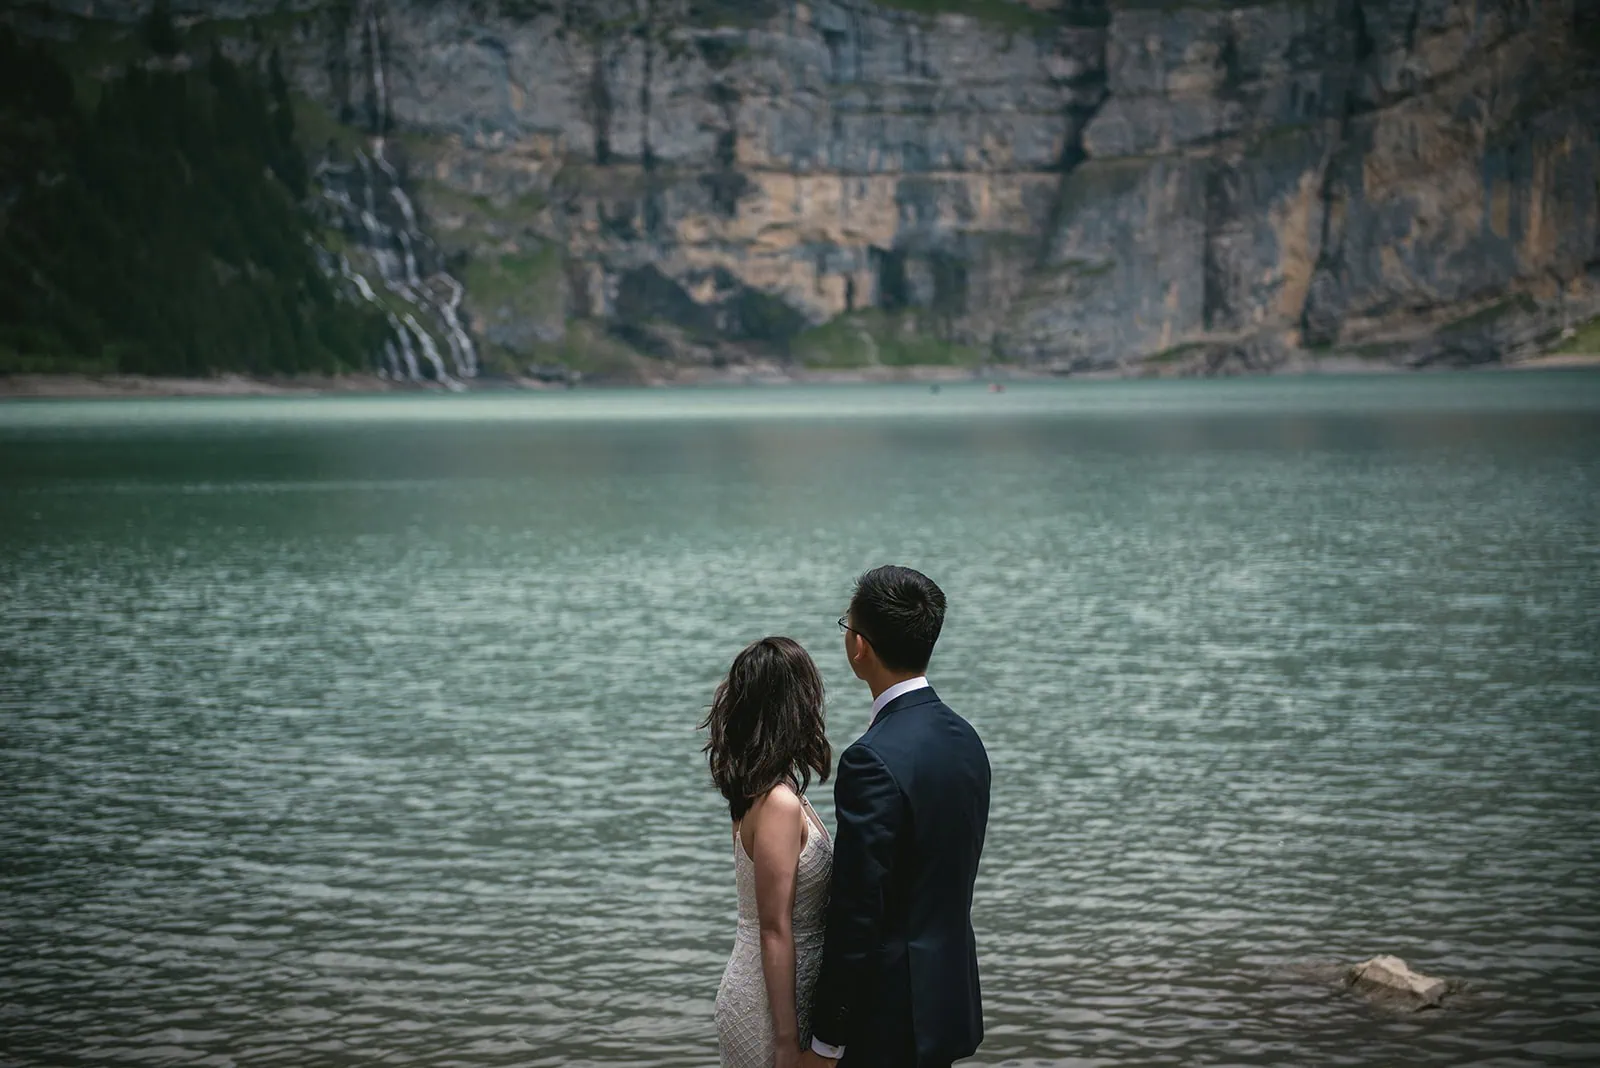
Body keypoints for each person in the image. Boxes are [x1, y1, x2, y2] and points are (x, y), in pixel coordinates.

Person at [800, 565, 991, 1068]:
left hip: (886, 1021)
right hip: (947, 1003)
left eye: (847, 626)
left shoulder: (871, 759)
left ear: (859, 647)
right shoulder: (966, 739)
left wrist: (826, 1041)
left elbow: (858, 911)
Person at [704, 636, 834, 1068]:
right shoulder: (777, 802)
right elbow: (773, 928)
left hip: (767, 992)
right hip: (771, 1008)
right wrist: (785, 1041)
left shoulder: (759, 790)